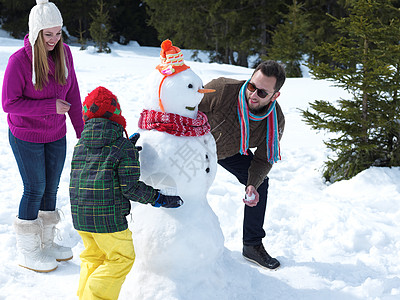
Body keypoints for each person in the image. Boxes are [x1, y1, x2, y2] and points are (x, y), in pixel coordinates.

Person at [70, 86, 183, 300]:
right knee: (121, 258)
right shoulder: (122, 148)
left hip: (80, 216)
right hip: (107, 220)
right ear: (116, 116)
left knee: (93, 258)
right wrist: (158, 198)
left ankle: (84, 296)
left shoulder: (80, 145)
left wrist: (126, 149)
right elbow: (130, 187)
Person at [1, 0, 84, 273]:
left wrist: (82, 133)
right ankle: (28, 251)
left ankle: (46, 244)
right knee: (34, 188)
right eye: (48, 34)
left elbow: (72, 95)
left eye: (58, 33)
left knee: (51, 188)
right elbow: (8, 103)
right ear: (36, 32)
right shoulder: (18, 62)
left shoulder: (65, 54)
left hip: (56, 134)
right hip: (26, 135)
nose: (54, 39)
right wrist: (49, 106)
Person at [198, 60, 286, 270]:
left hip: (229, 152)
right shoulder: (222, 89)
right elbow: (186, 109)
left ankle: (252, 245)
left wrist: (252, 185)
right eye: (251, 86)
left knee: (260, 183)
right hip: (195, 145)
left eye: (262, 93)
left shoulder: (275, 121)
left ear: (275, 96)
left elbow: (264, 158)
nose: (253, 94)